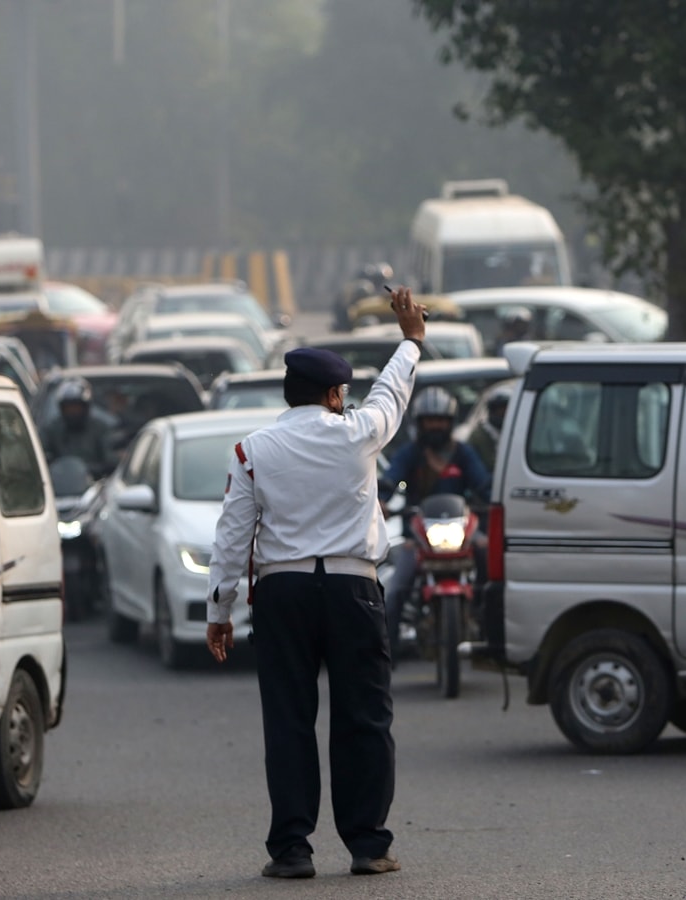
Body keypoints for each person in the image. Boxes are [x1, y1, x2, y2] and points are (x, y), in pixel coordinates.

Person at [206, 287, 428, 880]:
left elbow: (233, 537)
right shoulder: (358, 434)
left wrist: (220, 610)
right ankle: (368, 845)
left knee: (288, 721)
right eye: (342, 393)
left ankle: (292, 850)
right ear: (333, 395)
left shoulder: (252, 451)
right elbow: (391, 394)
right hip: (354, 591)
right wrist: (410, 340)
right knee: (365, 720)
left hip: (284, 595)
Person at [378, 387, 492, 655]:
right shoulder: (410, 454)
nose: (435, 426)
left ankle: (490, 631)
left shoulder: (463, 454)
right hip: (417, 537)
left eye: (440, 420)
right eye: (430, 421)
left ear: (450, 422)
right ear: (419, 424)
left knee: (490, 563)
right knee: (395, 591)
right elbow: (390, 480)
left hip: (462, 532)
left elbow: (484, 485)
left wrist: (493, 501)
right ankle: (388, 653)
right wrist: (382, 501)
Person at [39, 376, 118, 477]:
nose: (73, 413)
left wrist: (99, 469)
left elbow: (110, 458)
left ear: (86, 407)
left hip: (94, 482)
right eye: (69, 408)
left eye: (77, 408)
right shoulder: (52, 430)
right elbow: (41, 455)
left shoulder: (100, 429)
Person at [464, 383, 514, 477]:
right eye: (500, 410)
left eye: (507, 409)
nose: (504, 413)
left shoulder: (514, 432)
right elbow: (492, 464)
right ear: (492, 410)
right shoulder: (480, 435)